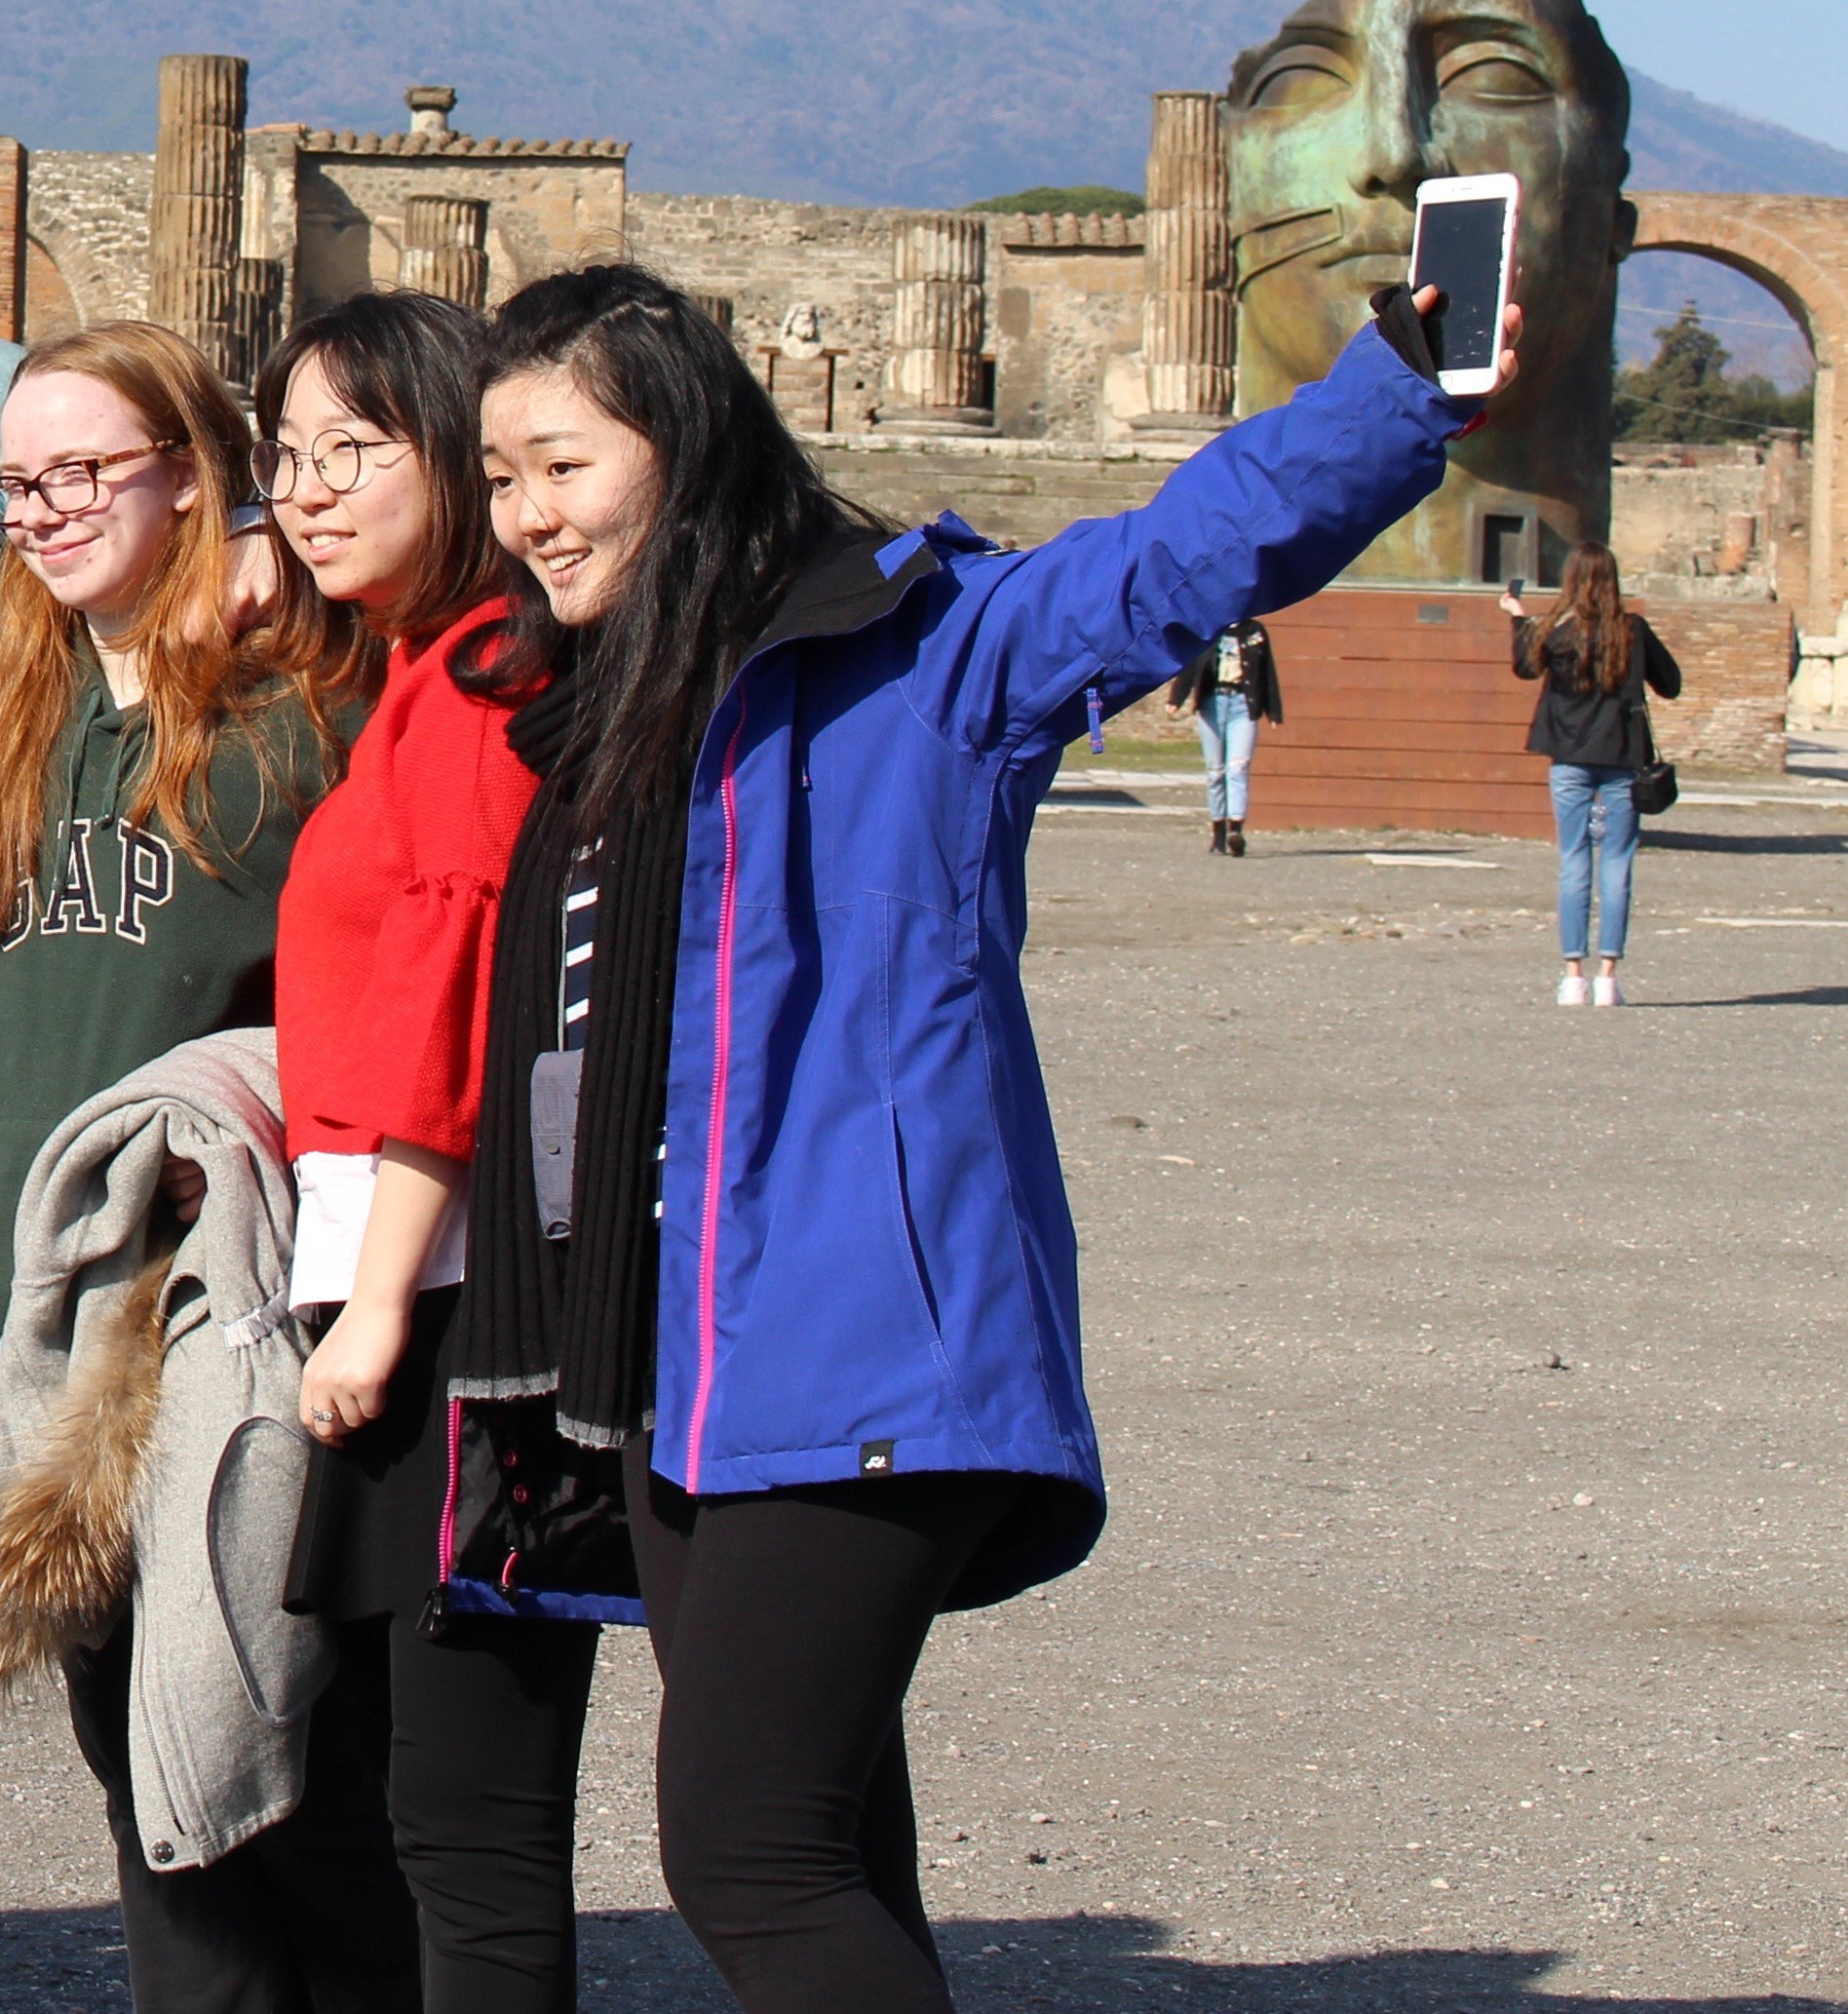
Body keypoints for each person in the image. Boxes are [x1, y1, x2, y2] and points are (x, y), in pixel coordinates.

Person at [443, 265, 1493, 2014]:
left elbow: (1178, 559)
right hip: (672, 1360)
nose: (525, 515)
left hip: (860, 1346)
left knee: (748, 1850)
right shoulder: (598, 705)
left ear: (683, 444)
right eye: (498, 474)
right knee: (837, 1847)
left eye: (560, 463)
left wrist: (1401, 383)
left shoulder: (924, 651)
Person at [0, 319, 389, 2014]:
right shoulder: (26, 724)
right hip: (42, 1340)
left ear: (192, 479)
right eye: (18, 479)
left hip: (219, 1338)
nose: (39, 510)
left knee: (282, 1782)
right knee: (142, 1788)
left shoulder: (308, 724)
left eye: (81, 472)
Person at [249, 294, 594, 2014]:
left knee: (467, 1810)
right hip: (398, 1263)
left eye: (354, 452)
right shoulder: (407, 664)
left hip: (446, 1291)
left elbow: (457, 991)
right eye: (288, 455)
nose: (307, 491)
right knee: (401, 1783)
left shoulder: (476, 674)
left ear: (459, 455)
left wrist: (376, 1304)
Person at [1503, 543, 1677, 1009]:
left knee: (1574, 861)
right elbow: (1672, 683)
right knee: (1618, 863)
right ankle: (1608, 978)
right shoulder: (1631, 630)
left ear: (1571, 580)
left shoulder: (1557, 631)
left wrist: (1518, 617)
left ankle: (1572, 977)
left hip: (1569, 760)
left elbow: (1524, 666)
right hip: (1622, 760)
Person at [1161, 614, 1281, 855]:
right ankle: (1218, 830)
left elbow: (1267, 671)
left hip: (1242, 706)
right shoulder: (1209, 628)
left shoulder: (1254, 632)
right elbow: (1191, 666)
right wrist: (1177, 698)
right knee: (1215, 772)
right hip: (1212, 705)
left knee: (1238, 767)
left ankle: (1236, 829)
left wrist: (1273, 710)